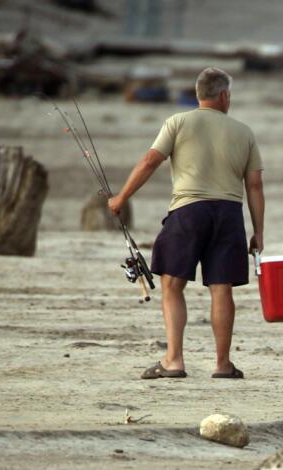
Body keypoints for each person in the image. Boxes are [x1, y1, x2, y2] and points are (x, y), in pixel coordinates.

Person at [109, 66, 263, 379]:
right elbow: (255, 186)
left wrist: (121, 198)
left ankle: (174, 360)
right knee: (222, 289)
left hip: (188, 211)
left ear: (198, 95)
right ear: (223, 96)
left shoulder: (178, 122)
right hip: (229, 214)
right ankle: (222, 364)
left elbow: (150, 161)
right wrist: (259, 232)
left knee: (172, 284)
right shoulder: (243, 131)